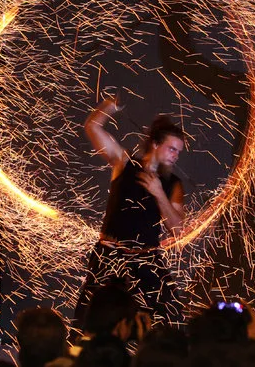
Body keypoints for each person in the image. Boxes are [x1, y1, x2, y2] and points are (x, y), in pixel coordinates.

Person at [73, 97, 186, 330]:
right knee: (91, 321)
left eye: (179, 152)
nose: (176, 155)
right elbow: (93, 127)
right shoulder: (124, 163)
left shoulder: (173, 185)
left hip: (146, 262)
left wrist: (158, 193)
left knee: (167, 321)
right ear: (155, 143)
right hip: (110, 257)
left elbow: (176, 228)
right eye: (172, 149)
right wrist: (108, 106)